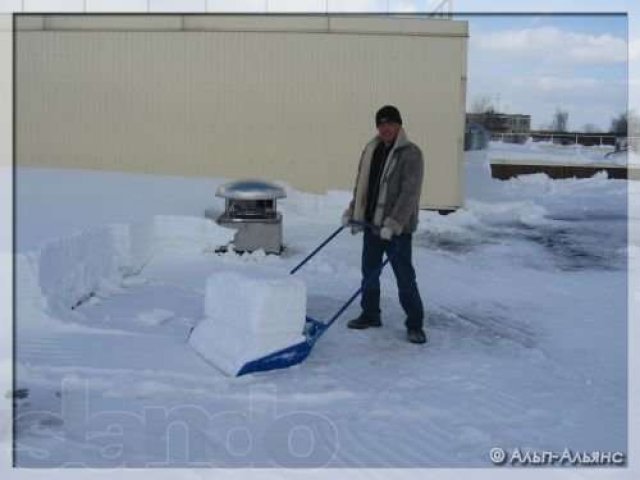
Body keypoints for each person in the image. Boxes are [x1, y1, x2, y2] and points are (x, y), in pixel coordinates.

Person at [341, 105, 427, 344]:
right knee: (369, 273)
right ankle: (370, 314)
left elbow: (409, 193)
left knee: (404, 277)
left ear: (399, 125)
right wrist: (353, 210)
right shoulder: (372, 150)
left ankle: (415, 324)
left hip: (396, 230)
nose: (385, 128)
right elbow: (363, 186)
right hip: (371, 226)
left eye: (390, 123)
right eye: (381, 123)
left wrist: (395, 223)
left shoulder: (411, 153)